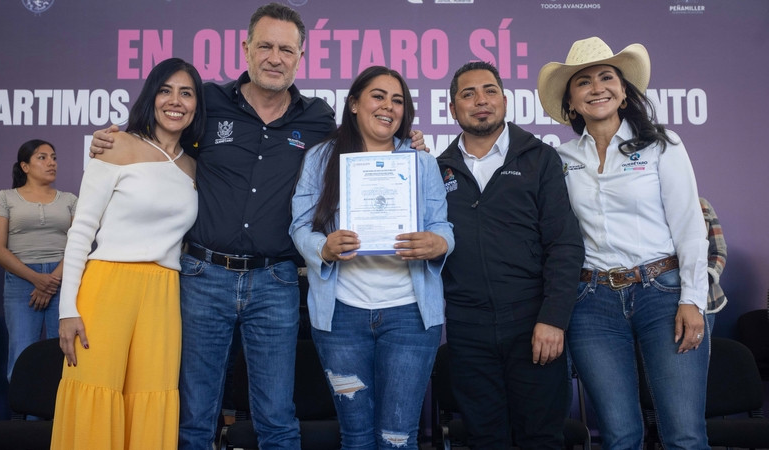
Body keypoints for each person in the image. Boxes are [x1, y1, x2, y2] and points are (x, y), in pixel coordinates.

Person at [89, 4, 425, 448]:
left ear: (300, 56)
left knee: (276, 416)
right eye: (264, 46)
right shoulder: (207, 102)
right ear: (245, 48)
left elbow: (363, 146)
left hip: (276, 280)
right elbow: (161, 144)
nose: (274, 57)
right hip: (202, 276)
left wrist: (408, 144)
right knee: (195, 414)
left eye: (286, 49)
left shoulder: (318, 117)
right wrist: (116, 139)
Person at [537, 36, 710, 449]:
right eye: (583, 82)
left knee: (684, 435)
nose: (597, 87)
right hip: (591, 301)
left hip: (663, 294)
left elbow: (690, 225)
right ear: (571, 102)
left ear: (623, 91)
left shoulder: (661, 144)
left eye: (606, 77)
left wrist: (693, 299)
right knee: (619, 436)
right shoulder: (558, 159)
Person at [290, 66, 453, 449]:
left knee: (398, 438)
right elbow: (300, 226)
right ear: (353, 104)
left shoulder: (421, 162)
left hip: (410, 315)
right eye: (378, 96)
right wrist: (323, 248)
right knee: (357, 437)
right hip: (341, 315)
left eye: (398, 100)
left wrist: (438, 243)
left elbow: (443, 226)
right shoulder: (320, 158)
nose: (388, 107)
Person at [50, 57, 204, 449]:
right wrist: (68, 308)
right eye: (166, 90)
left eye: (186, 93)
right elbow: (81, 229)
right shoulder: (116, 144)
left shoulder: (193, 166)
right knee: (94, 391)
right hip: (107, 286)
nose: (176, 100)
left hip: (164, 293)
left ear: (197, 105)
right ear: (151, 96)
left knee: (152, 397)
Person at [436, 61, 584, 449]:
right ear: (452, 109)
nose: (480, 100)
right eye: (468, 94)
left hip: (534, 323)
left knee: (541, 437)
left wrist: (553, 319)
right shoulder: (436, 171)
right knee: (485, 438)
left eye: (489, 91)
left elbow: (564, 245)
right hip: (468, 328)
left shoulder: (539, 159)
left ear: (504, 100)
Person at [0, 139, 77, 382]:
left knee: (65, 352)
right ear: (25, 167)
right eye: (42, 157)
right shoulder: (5, 198)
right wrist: (37, 279)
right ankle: (23, 419)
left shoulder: (69, 200)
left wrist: (53, 280)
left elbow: (80, 244)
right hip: (21, 281)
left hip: (63, 280)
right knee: (22, 352)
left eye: (54, 157)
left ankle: (58, 419)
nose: (51, 163)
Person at [700, 196, 727, 330]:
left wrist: (707, 278)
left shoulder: (702, 205)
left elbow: (719, 250)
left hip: (706, 300)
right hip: (659, 301)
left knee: (700, 350)